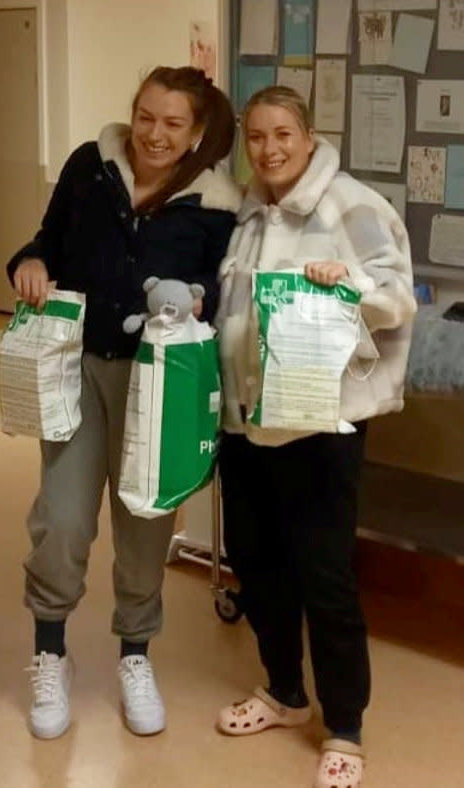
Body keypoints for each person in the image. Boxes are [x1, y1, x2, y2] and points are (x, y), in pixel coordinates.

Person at [6, 66, 241, 740]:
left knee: (145, 527)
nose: (154, 134)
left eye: (173, 123)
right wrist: (29, 261)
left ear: (196, 132)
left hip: (158, 380)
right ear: (131, 113)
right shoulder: (90, 165)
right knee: (63, 520)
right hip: (79, 368)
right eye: (146, 116)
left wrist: (195, 296)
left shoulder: (217, 204)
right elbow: (46, 239)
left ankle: (135, 657)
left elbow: (219, 289)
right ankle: (50, 653)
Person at [214, 86, 416, 788]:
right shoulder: (249, 210)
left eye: (283, 135)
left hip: (319, 424)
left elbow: (397, 297)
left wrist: (347, 282)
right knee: (257, 560)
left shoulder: (351, 203)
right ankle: (284, 694)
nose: (269, 149)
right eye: (257, 136)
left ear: (308, 135)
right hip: (246, 420)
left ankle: (346, 728)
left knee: (324, 575)